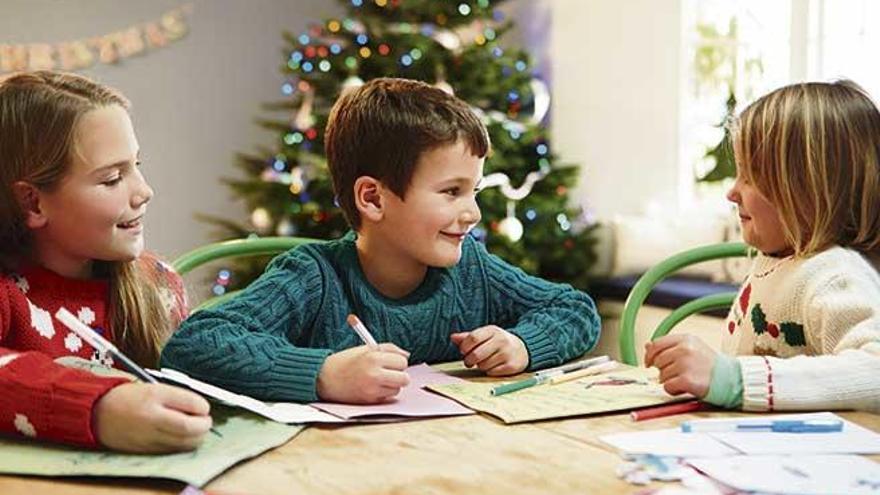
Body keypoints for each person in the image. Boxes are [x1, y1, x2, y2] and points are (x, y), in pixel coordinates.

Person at [161, 77, 601, 404]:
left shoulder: (473, 270)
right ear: (372, 198)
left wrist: (524, 345)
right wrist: (323, 373)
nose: (473, 213)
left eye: (475, 191)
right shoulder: (314, 277)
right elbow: (196, 342)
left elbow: (574, 310)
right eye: (452, 192)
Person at [0, 71, 212, 452]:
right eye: (112, 178)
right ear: (32, 202)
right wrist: (99, 407)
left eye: (136, 165)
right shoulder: (7, 296)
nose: (144, 191)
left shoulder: (159, 284)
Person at [646, 80, 880, 412]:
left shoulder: (833, 275)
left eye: (749, 177)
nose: (732, 192)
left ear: (808, 191)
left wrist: (733, 379)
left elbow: (875, 372)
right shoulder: (774, 261)